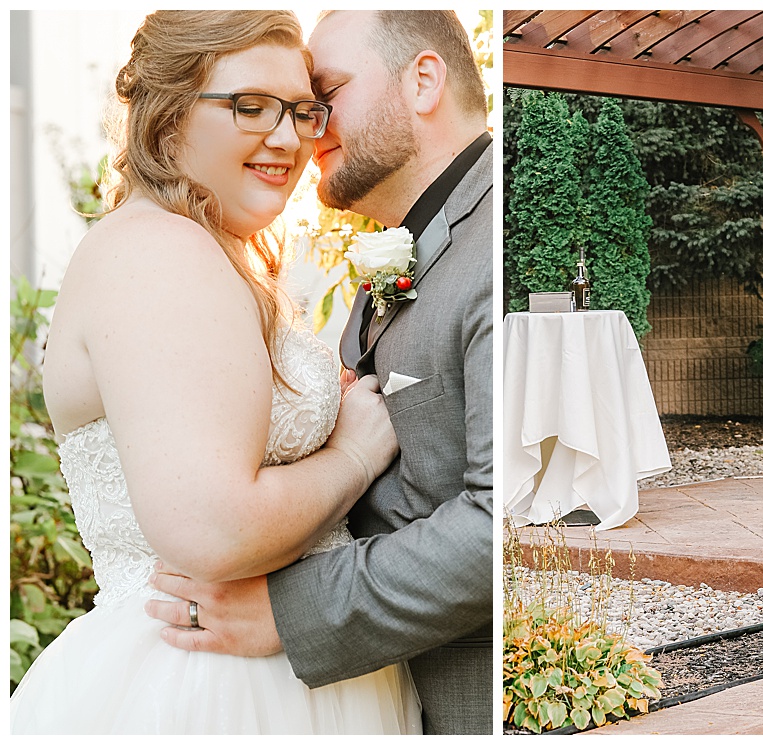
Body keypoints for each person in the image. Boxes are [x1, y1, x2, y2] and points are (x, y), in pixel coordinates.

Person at [11, 11, 419, 734]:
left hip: (272, 663)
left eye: (301, 110)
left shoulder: (199, 245)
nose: (290, 138)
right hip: (207, 687)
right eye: (250, 106)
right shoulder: (159, 252)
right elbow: (215, 528)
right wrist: (353, 454)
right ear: (168, 118)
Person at [141, 11, 495, 734]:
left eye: (322, 96)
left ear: (423, 80)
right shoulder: (403, 247)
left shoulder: (491, 244)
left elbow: (502, 523)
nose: (307, 127)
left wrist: (289, 609)